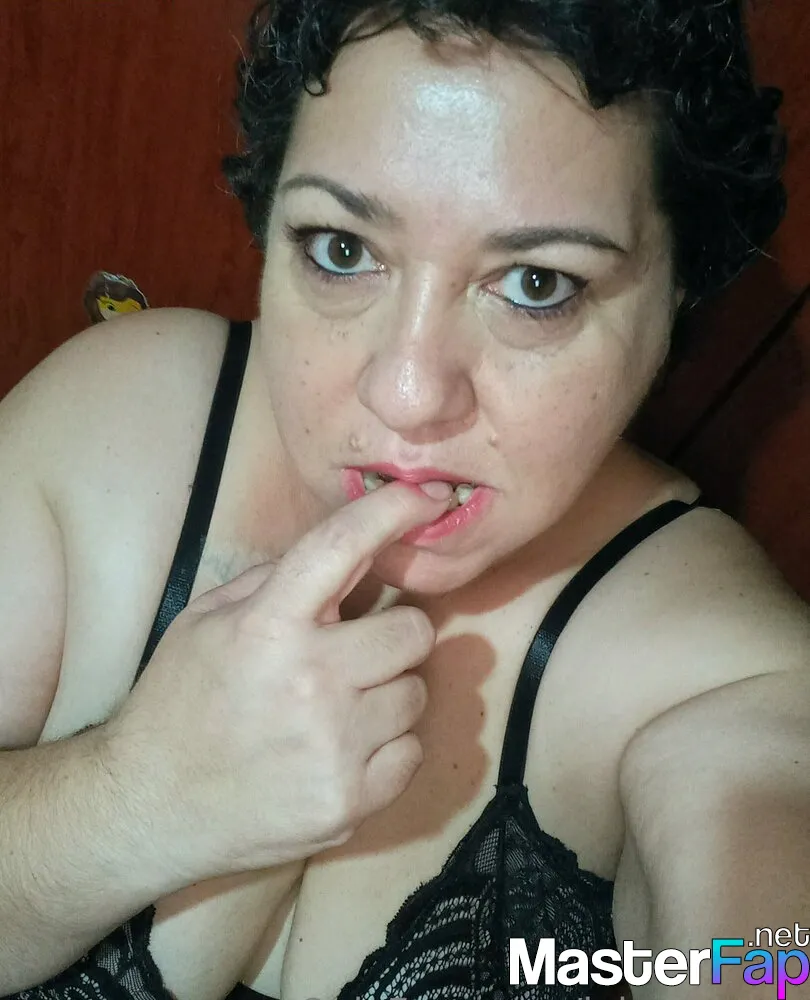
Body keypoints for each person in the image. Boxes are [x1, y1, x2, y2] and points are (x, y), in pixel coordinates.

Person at [1, 1, 808, 998]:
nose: (408, 391)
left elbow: (772, 959)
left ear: (681, 288)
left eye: (537, 283)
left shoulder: (721, 678)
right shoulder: (117, 428)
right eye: (342, 248)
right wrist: (131, 794)